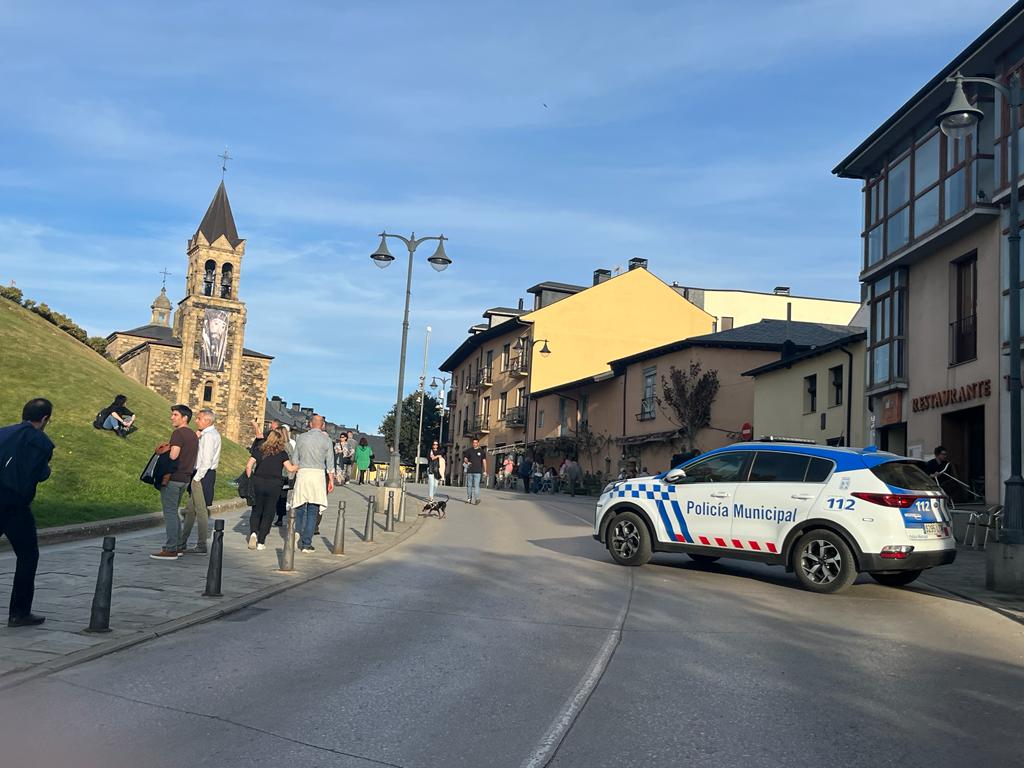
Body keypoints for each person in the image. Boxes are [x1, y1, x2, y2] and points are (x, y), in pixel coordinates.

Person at [0, 398, 54, 627]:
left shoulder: (3, 433)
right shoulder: (41, 442)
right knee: (28, 556)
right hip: (15, 506)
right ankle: (19, 612)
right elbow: (39, 474)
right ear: (44, 419)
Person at [150, 405, 199, 560]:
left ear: (185, 418)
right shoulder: (192, 435)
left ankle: (171, 548)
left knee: (170, 513)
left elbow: (174, 456)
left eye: (175, 415)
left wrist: (166, 451)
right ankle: (177, 546)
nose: (172, 417)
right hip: (185, 478)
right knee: (175, 511)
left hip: (173, 477)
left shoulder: (178, 434)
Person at [245, 429, 298, 550]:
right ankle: (261, 542)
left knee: (256, 510)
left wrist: (250, 479)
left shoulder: (258, 450)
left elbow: (249, 466)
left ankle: (253, 533)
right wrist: (299, 466)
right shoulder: (282, 453)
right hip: (274, 485)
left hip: (258, 482)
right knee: (268, 513)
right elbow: (290, 469)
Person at [179, 408, 221, 554]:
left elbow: (206, 460)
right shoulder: (206, 434)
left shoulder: (209, 436)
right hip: (200, 474)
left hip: (203, 475)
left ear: (207, 420)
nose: (196, 421)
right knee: (190, 510)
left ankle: (201, 544)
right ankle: (182, 542)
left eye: (199, 418)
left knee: (201, 511)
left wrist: (197, 479)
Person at [291, 415, 335, 552]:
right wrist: (331, 480)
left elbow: (295, 459)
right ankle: (306, 543)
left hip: (303, 473)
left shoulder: (301, 438)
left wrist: (294, 473)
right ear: (322, 425)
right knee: (313, 510)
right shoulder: (327, 440)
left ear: (310, 424)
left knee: (299, 506)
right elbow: (330, 462)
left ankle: (296, 531)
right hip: (318, 475)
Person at [273, 424, 295, 527]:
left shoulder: (284, 446)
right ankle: (280, 517)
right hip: (286, 474)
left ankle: (278, 516)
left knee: (279, 496)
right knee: (282, 496)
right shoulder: (289, 445)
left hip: (282, 473)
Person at [462, 438, 487, 504]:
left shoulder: (482, 451)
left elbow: (484, 461)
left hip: (478, 471)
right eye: (473, 443)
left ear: (478, 443)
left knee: (476, 485)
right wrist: (467, 462)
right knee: (469, 485)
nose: (474, 444)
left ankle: (477, 499)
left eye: (476, 443)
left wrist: (485, 471)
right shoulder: (469, 451)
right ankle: (469, 498)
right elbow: (465, 459)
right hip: (470, 470)